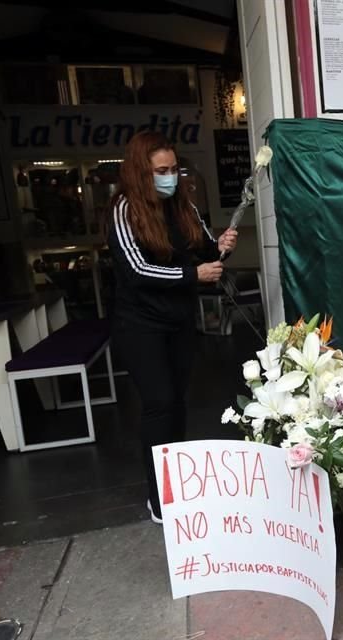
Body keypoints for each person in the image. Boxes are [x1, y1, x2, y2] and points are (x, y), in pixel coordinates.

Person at [108, 131, 237, 523]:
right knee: (159, 403)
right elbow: (136, 270)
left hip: (178, 322)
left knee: (177, 403)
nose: (169, 177)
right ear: (139, 173)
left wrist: (220, 245)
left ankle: (175, 482)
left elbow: (202, 247)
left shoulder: (183, 204)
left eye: (173, 170)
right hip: (139, 325)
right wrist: (193, 274)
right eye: (159, 171)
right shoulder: (124, 209)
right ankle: (158, 496)